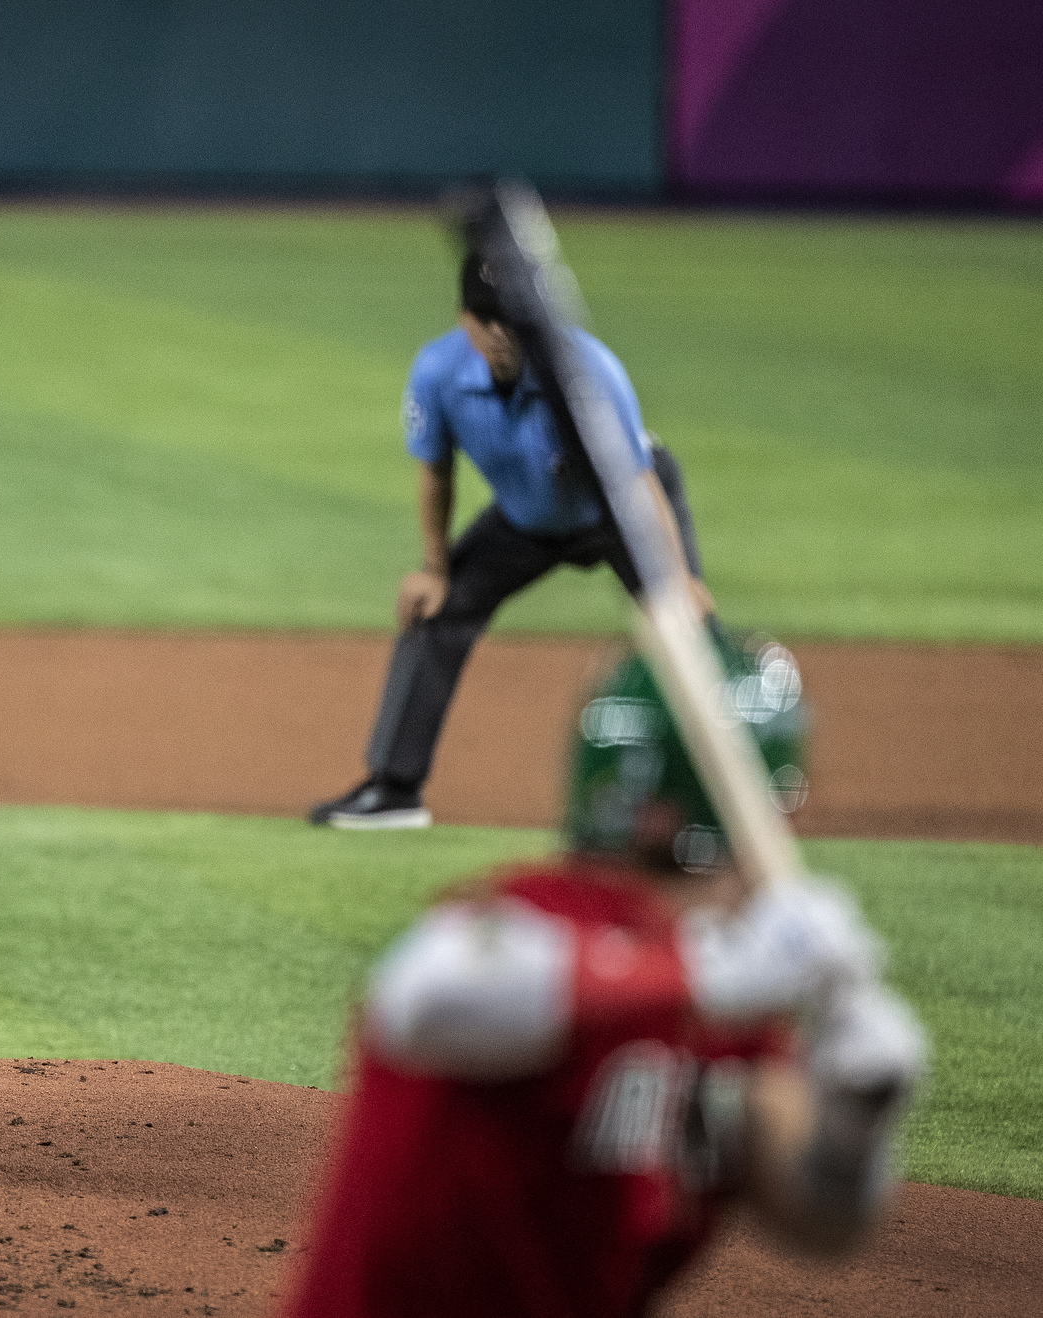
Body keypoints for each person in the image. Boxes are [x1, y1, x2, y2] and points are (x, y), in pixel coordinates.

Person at [281, 638, 926, 1318]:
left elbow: (820, 1224)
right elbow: (420, 995)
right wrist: (711, 977)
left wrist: (858, 1120)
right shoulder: (532, 922)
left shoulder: (720, 995)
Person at [311, 252, 712, 829]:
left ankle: (728, 794)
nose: (498, 333)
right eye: (484, 317)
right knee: (437, 612)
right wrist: (434, 568)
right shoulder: (438, 372)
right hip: (525, 520)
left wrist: (679, 582)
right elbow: (436, 470)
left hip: (621, 512)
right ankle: (394, 791)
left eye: (511, 319)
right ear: (462, 319)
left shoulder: (587, 371)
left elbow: (639, 480)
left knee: (689, 634)